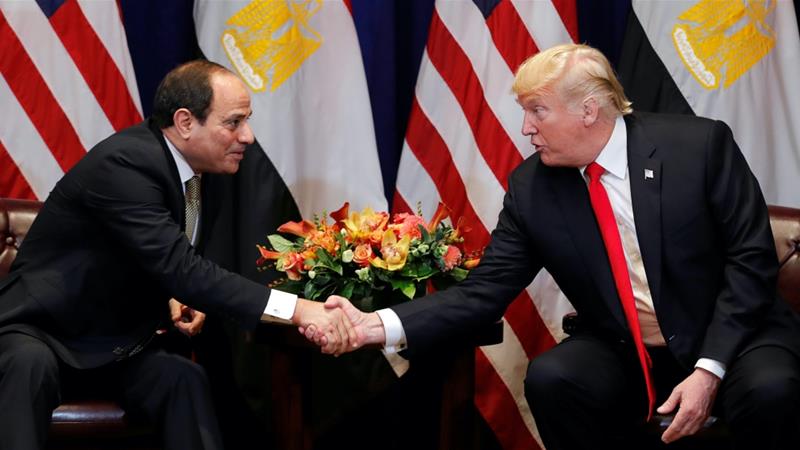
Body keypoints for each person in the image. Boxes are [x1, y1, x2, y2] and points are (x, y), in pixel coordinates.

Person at [322, 44, 800, 449]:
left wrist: (708, 369)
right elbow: (483, 292)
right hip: (626, 348)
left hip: (733, 338)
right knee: (555, 380)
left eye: (538, 111)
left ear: (588, 110)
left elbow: (751, 261)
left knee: (773, 390)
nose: (526, 128)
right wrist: (374, 326)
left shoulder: (698, 147)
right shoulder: (533, 188)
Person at [0, 60, 355, 450]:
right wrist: (300, 309)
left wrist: (174, 294)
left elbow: (152, 254)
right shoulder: (126, 163)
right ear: (186, 122)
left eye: (246, 121)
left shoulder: (201, 170)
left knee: (183, 380)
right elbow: (182, 267)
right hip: (40, 334)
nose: (248, 137)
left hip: (115, 345)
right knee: (27, 367)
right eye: (233, 122)